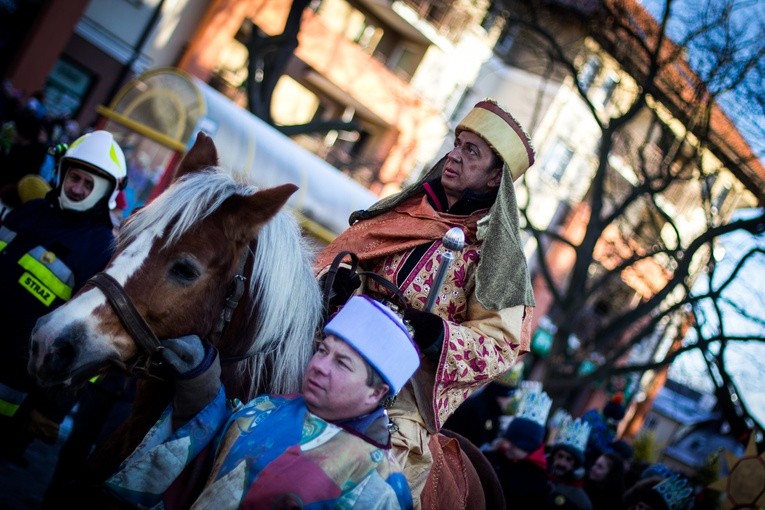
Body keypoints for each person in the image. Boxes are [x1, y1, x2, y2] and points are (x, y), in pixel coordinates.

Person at [315, 98, 536, 505]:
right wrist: (337, 289)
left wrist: (438, 335)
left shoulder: (497, 257)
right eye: (457, 144)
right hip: (332, 353)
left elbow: (500, 346)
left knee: (383, 477)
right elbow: (330, 269)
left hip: (402, 396)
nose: (454, 155)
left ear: (494, 179)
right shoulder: (403, 213)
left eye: (472, 152)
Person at [103, 295, 420, 509]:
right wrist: (200, 383)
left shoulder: (380, 484)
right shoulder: (268, 405)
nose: (320, 365)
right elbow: (205, 458)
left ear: (376, 393)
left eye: (342, 363)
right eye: (323, 350)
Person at [0, 130, 127, 464]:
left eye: (88, 184)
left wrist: (50, 408)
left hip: (12, 389)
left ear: (105, 193)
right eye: (74, 177)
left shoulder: (100, 249)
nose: (77, 188)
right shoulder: (28, 212)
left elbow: (89, 339)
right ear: (62, 173)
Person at [484, 384, 552, 508]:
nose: (508, 446)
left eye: (515, 444)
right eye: (508, 440)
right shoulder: (493, 457)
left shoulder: (537, 482)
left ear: (529, 448)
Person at [443, 363, 523, 450]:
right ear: (499, 395)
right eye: (508, 396)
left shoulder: (493, 410)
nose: (510, 400)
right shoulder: (476, 408)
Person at [546, 414, 593, 510]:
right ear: (553, 456)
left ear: (575, 464)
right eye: (560, 456)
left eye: (569, 459)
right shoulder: (538, 477)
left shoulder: (580, 501)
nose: (562, 463)